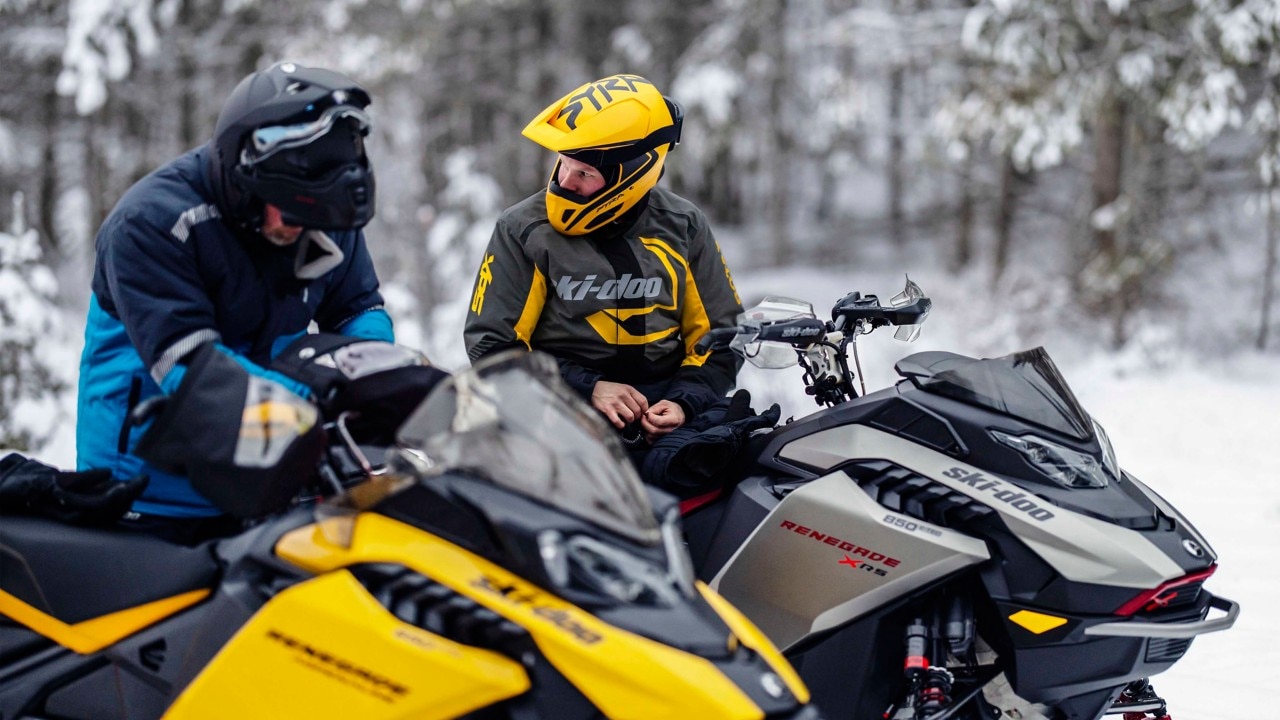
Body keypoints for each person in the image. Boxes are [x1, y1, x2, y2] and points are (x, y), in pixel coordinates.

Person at [76, 61, 393, 543]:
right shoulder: (151, 224)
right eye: (289, 214)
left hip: (271, 472)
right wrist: (321, 404)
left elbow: (358, 309)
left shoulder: (321, 211)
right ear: (247, 182)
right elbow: (192, 370)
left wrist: (385, 385)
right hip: (148, 493)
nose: (299, 229)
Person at [464, 74, 744, 450]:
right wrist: (587, 388)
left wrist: (683, 402)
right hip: (557, 415)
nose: (566, 181)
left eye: (585, 173)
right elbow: (492, 346)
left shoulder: (682, 225)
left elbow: (723, 336)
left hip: (665, 417)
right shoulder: (524, 229)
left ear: (633, 174)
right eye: (563, 164)